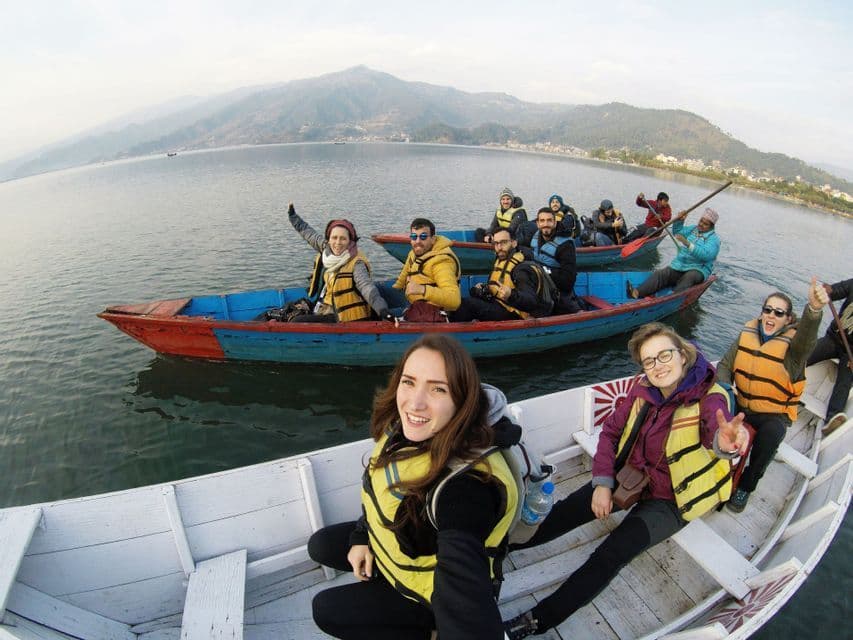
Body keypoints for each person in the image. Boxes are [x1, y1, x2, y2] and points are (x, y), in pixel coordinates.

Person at [503, 322, 748, 639]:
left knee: (611, 554)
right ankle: (499, 546)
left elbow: (717, 431)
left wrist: (726, 441)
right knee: (562, 512)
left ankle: (535, 622)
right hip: (631, 475)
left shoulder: (710, 400)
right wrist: (603, 483)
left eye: (664, 355)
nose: (657, 366)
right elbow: (611, 433)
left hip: (671, 500)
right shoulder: (643, 390)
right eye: (649, 361)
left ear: (683, 355)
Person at [308, 335, 522, 639]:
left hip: (427, 592)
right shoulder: (404, 428)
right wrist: (361, 537)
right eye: (409, 382)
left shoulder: (468, 487)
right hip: (397, 545)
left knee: (326, 610)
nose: (415, 402)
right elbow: (379, 490)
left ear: (462, 401)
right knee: (321, 545)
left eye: (438, 389)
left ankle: (426, 630)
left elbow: (468, 606)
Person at [716, 278, 829, 512]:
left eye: (779, 313)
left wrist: (814, 310)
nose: (771, 315)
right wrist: (727, 391)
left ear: (788, 319)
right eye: (767, 310)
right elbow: (725, 365)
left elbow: (807, 339)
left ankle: (746, 486)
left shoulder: (795, 350)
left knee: (770, 436)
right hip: (741, 402)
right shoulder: (747, 332)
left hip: (772, 413)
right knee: (714, 411)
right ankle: (715, 467)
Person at [287, 203, 391, 322]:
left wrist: (382, 310)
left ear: (350, 241)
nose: (338, 242)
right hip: (324, 307)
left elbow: (367, 287)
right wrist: (293, 216)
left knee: (297, 322)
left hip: (343, 317)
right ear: (329, 238)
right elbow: (307, 233)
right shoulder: (326, 249)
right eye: (334, 237)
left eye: (343, 238)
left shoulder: (356, 263)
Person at [450, 228, 555, 321]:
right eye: (496, 243)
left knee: (465, 304)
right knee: (465, 297)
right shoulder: (501, 259)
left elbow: (531, 301)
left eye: (503, 242)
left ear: (514, 243)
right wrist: (483, 288)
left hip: (514, 313)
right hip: (499, 304)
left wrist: (511, 294)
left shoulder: (521, 270)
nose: (499, 247)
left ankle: (452, 335)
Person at [626, 207, 721, 298]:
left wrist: (688, 244)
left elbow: (706, 255)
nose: (701, 224)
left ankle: (673, 298)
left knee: (689, 277)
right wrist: (679, 221)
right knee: (661, 273)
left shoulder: (714, 240)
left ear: (711, 227)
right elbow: (678, 232)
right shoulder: (694, 229)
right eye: (701, 221)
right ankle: (636, 293)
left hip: (698, 269)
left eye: (705, 224)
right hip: (681, 265)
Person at [807, 278, 852, 435]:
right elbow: (836, 291)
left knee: (844, 382)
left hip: (851, 354)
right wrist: (826, 291)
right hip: (833, 338)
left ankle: (832, 420)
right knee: (805, 355)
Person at [393, 218, 462, 320]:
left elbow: (454, 300)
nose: (417, 241)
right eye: (414, 236)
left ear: (433, 239)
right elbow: (402, 278)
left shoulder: (441, 262)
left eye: (423, 237)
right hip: (412, 301)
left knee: (383, 316)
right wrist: (395, 289)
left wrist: (422, 289)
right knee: (378, 292)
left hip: (430, 311)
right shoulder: (414, 253)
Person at [529, 207, 580, 314]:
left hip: (558, 293)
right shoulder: (536, 236)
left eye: (549, 220)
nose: (545, 224)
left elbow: (568, 282)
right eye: (542, 221)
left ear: (555, 223)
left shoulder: (565, 245)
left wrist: (542, 271)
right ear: (537, 223)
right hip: (538, 287)